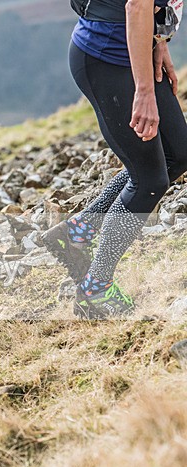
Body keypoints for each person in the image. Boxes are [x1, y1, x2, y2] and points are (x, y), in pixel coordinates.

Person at [42, 0, 187, 318]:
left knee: (179, 153)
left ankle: (76, 232)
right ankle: (95, 288)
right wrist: (145, 91)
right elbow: (136, 5)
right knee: (149, 179)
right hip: (105, 60)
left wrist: (159, 42)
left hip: (136, 54)